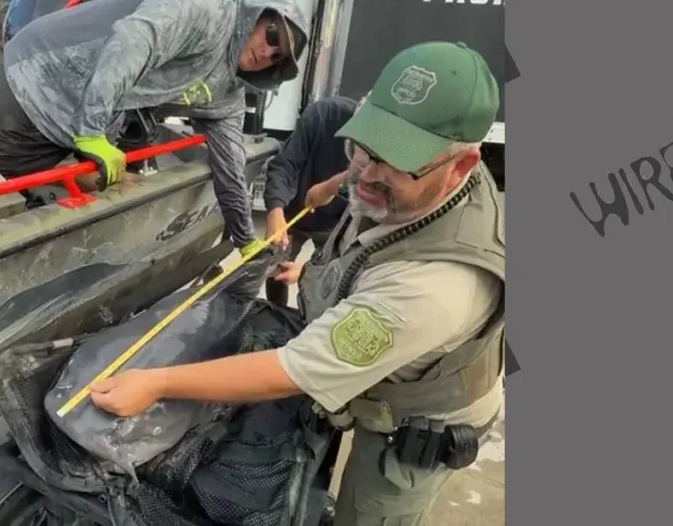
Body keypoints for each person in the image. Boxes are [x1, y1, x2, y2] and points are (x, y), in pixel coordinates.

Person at [88, 41, 505, 526]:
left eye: (393, 160)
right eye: (363, 147)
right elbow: (370, 233)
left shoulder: (434, 288)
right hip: (386, 358)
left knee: (369, 513)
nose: (367, 173)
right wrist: (317, 255)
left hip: (417, 423)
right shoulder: (403, 183)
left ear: (461, 166)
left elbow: (291, 371)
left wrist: (157, 382)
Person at [0, 0, 309, 258]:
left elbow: (231, 166)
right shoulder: (208, 1)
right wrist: (92, 130)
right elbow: (134, 39)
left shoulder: (227, 93)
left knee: (24, 203)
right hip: (39, 80)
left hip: (78, 123)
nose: (269, 51)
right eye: (273, 33)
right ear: (257, 14)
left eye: (280, 57)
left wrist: (245, 239)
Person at [261, 96, 356, 306]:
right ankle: (277, 312)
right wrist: (275, 209)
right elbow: (284, 165)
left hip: (336, 225)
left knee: (324, 287)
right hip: (293, 213)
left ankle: (310, 320)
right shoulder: (323, 114)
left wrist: (308, 272)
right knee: (276, 269)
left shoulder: (381, 160)